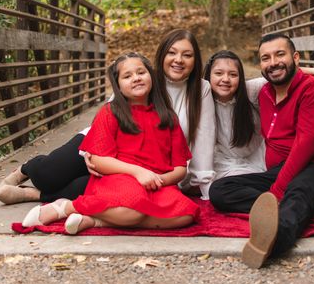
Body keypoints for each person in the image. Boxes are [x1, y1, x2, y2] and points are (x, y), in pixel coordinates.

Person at [0, 29, 216, 204]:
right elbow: (112, 110)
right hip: (101, 145)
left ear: (196, 60)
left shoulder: (201, 90)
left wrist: (197, 185)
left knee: (87, 187)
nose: (179, 60)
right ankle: (29, 167)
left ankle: (35, 196)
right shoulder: (145, 76)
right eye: (172, 52)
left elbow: (204, 139)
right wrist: (89, 153)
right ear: (162, 54)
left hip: (144, 161)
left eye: (187, 55)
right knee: (48, 175)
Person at [208, 34, 314, 268]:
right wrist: (278, 186)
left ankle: (273, 240)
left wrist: (277, 190)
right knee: (221, 190)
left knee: (298, 190)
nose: (273, 62)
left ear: (295, 57)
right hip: (281, 169)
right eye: (265, 58)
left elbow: (306, 145)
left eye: (279, 54)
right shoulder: (263, 93)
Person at [22, 52, 199, 234]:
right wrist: (138, 172)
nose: (136, 78)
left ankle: (95, 221)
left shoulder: (168, 117)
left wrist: (158, 180)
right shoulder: (111, 113)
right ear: (119, 87)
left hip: (156, 183)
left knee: (186, 214)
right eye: (127, 76)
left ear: (151, 77)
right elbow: (98, 160)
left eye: (141, 72)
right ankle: (67, 207)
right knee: (133, 209)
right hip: (119, 180)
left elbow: (180, 168)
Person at [203, 50, 314, 180]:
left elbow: (279, 74)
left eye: (233, 74)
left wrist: (313, 71)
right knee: (212, 185)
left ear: (240, 77)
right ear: (208, 75)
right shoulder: (203, 96)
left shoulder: (249, 90)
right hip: (225, 159)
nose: (225, 79)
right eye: (218, 73)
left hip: (257, 157)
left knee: (247, 182)